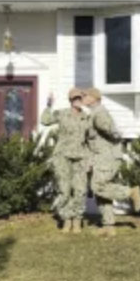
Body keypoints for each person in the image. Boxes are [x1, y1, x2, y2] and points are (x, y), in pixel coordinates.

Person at [83, 87, 140, 237]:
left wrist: (117, 139)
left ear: (94, 98)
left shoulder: (99, 114)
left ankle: (130, 192)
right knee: (101, 194)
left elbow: (112, 131)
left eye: (86, 95)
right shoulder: (94, 114)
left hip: (107, 156)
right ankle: (108, 226)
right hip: (100, 156)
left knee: (97, 186)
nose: (83, 97)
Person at [40, 88, 91, 233]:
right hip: (62, 156)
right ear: (70, 100)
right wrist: (48, 105)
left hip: (81, 157)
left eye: (80, 98)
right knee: (65, 190)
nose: (78, 101)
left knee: (80, 190)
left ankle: (77, 220)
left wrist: (90, 160)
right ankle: (67, 220)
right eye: (75, 99)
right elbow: (45, 121)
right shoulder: (62, 114)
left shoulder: (87, 117)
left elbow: (91, 140)